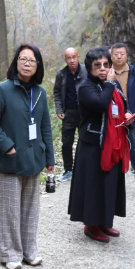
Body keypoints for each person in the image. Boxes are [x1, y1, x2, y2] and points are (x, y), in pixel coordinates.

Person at [0, 44, 55, 269]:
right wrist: (6, 146)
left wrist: (49, 157)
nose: (27, 63)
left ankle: (29, 250)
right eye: (23, 59)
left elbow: (45, 126)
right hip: (10, 159)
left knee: (30, 209)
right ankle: (10, 253)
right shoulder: (2, 90)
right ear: (16, 62)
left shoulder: (40, 93)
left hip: (34, 158)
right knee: (10, 209)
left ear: (38, 66)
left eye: (32, 60)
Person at [68, 47, 132, 242]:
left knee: (109, 184)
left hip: (113, 142)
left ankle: (105, 221)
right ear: (89, 67)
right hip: (92, 145)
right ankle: (91, 225)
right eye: (98, 65)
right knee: (93, 186)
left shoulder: (112, 84)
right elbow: (101, 103)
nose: (103, 69)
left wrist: (126, 115)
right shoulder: (85, 87)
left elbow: (121, 104)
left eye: (106, 64)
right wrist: (110, 83)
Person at [110, 43, 135, 199]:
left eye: (122, 53)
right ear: (111, 56)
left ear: (127, 55)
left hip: (132, 120)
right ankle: (112, 187)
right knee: (113, 154)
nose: (119, 56)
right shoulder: (107, 73)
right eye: (116, 54)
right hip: (113, 122)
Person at [53, 47, 86, 182]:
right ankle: (68, 170)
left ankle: (84, 170)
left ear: (78, 57)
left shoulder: (86, 71)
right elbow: (56, 92)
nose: (72, 60)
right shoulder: (61, 74)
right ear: (65, 59)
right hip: (68, 113)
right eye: (69, 58)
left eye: (74, 57)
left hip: (84, 112)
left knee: (85, 142)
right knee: (66, 143)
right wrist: (59, 109)